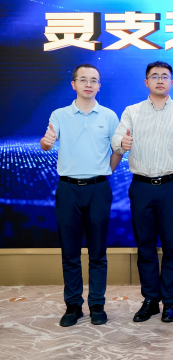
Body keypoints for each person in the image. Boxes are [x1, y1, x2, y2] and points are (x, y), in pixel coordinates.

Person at [111, 61, 173, 323]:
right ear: (146, 82)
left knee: (172, 247)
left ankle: (170, 302)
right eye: (154, 76)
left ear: (172, 82)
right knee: (145, 247)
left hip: (172, 187)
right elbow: (116, 141)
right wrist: (122, 143)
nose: (160, 80)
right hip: (141, 187)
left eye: (165, 76)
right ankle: (150, 300)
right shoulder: (131, 112)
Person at [40, 64, 122, 327]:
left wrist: (104, 173)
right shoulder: (60, 115)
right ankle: (73, 305)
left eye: (94, 80)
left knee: (98, 251)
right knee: (70, 251)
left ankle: (97, 304)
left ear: (99, 86)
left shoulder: (109, 116)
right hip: (68, 189)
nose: (89, 84)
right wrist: (47, 142)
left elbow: (118, 149)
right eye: (83, 80)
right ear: (73, 84)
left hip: (98, 189)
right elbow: (46, 142)